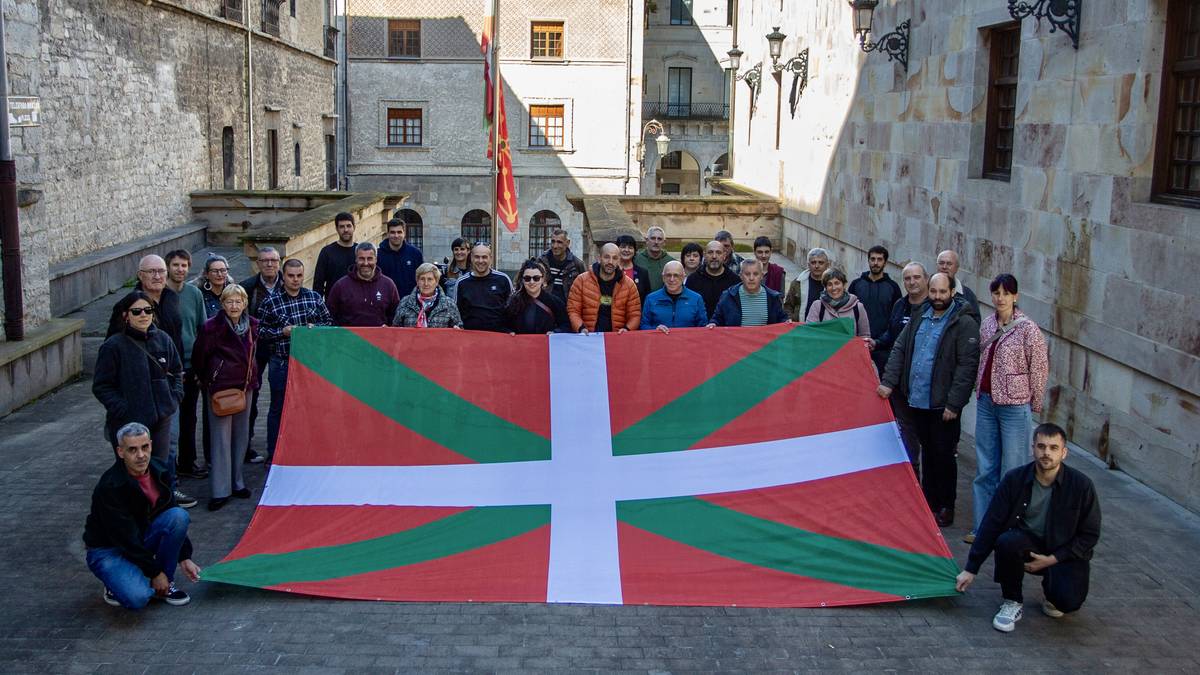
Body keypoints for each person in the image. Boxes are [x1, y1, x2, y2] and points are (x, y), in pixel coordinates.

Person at [956, 423, 1101, 633]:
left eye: (1053, 448)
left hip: (1063, 550)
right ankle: (1012, 601)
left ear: (1064, 452)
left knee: (1067, 602)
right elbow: (991, 524)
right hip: (1027, 542)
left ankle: (1053, 592)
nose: (1046, 453)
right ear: (1032, 448)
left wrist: (1051, 560)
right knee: (1006, 541)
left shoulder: (1082, 485)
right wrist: (971, 568)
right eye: (1041, 446)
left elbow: (1089, 535)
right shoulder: (1014, 479)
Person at [877, 273, 980, 527]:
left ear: (952, 292)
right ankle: (928, 503)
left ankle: (945, 506)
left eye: (942, 292)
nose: (936, 297)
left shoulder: (963, 324)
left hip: (943, 406)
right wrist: (889, 382)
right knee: (927, 455)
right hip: (918, 401)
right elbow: (900, 348)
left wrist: (954, 404)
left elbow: (967, 368)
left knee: (943, 457)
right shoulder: (919, 315)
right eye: (933, 291)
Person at [83, 422, 201, 609]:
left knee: (178, 516)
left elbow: (169, 508)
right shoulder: (110, 486)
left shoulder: (159, 470)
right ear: (120, 452)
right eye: (132, 450)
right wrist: (155, 572)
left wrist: (184, 556)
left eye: (145, 447)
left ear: (151, 445)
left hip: (139, 537)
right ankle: (115, 583)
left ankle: (164, 586)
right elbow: (125, 538)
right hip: (108, 549)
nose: (140, 455)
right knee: (138, 598)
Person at [968, 273, 1049, 544]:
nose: (1000, 298)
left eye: (1005, 293)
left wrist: (1034, 404)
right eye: (996, 292)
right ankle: (982, 528)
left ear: (1015, 296)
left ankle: (1007, 529)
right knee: (985, 467)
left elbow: (1038, 369)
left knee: (1012, 469)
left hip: (1015, 405)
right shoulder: (988, 324)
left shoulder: (1028, 329)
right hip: (987, 401)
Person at [93, 291, 190, 507]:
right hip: (130, 421)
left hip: (161, 418)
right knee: (132, 471)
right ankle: (132, 511)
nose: (143, 315)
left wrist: (173, 399)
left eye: (148, 310)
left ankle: (161, 507)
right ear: (126, 315)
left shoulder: (163, 339)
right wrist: (123, 407)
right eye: (137, 311)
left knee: (159, 466)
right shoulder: (113, 346)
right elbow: (101, 385)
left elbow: (176, 371)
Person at [191, 284, 260, 511]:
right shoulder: (211, 327)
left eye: (238, 301)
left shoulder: (252, 325)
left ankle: (237, 482)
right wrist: (208, 378)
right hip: (220, 387)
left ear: (244, 303)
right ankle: (220, 490)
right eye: (229, 301)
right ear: (222, 304)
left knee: (241, 436)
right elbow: (199, 356)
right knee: (220, 439)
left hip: (244, 387)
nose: (234, 306)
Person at [258, 259, 333, 461]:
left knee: (311, 407)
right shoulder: (271, 302)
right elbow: (261, 332)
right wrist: (281, 332)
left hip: (309, 364)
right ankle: (274, 454)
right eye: (291, 275)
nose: (295, 279)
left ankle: (309, 450)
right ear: (284, 276)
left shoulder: (314, 298)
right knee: (278, 408)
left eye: (299, 275)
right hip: (281, 362)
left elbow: (328, 323)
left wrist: (315, 330)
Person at [877, 261, 930, 473]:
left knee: (926, 433)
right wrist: (876, 342)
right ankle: (912, 473)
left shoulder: (934, 307)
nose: (912, 282)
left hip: (924, 383)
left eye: (916, 277)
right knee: (906, 428)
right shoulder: (900, 305)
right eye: (907, 278)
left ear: (926, 279)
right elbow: (891, 335)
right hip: (899, 380)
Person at [164, 250, 208, 480]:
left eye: (184, 265)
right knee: (169, 421)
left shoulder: (194, 294)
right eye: (175, 265)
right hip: (169, 368)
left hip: (191, 365)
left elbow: (202, 330)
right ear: (167, 267)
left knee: (189, 417)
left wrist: (201, 367)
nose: (180, 269)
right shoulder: (160, 296)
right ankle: (169, 468)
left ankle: (187, 462)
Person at [239, 247, 282, 466]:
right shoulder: (247, 287)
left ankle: (276, 447)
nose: (269, 265)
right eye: (265, 261)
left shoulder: (288, 283)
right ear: (258, 263)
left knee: (279, 399)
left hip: (281, 347)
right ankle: (245, 446)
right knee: (251, 397)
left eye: (273, 260)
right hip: (255, 347)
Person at [105, 255, 184, 364]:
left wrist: (179, 368)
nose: (157, 276)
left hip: (171, 369)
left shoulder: (172, 298)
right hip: (140, 370)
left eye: (161, 271)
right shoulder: (128, 305)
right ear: (140, 275)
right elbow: (111, 344)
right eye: (151, 271)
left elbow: (177, 337)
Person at [849, 245, 903, 374]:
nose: (875, 263)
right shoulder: (856, 284)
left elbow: (895, 319)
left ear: (885, 262)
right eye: (872, 259)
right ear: (868, 261)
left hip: (882, 347)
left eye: (879, 259)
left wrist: (881, 341)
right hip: (857, 344)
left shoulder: (893, 287)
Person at [568, 242, 641, 334]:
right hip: (588, 337)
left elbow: (635, 315)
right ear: (599, 258)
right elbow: (573, 310)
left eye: (615, 258)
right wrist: (581, 328)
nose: (610, 262)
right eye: (606, 257)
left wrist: (627, 329)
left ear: (619, 261)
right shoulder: (581, 281)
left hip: (616, 337)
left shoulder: (629, 285)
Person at [326, 242, 401, 327]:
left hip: (379, 339)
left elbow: (396, 316)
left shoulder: (388, 285)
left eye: (369, 259)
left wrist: (389, 327)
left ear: (376, 259)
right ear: (356, 259)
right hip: (349, 339)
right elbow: (330, 316)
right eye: (361, 259)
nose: (365, 263)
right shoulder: (340, 286)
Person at [710, 259, 788, 327]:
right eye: (747, 274)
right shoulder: (728, 296)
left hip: (765, 343)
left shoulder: (773, 298)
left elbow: (782, 319)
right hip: (736, 343)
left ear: (761, 276)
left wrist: (787, 323)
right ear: (740, 276)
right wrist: (713, 324)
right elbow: (717, 319)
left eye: (755, 274)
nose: (751, 278)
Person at [456, 244, 514, 332]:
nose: (480, 261)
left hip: (499, 337)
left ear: (490, 258)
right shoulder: (461, 283)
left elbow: (513, 308)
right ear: (471, 258)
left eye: (484, 257)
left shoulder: (503, 279)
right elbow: (456, 312)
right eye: (477, 257)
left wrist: (511, 330)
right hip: (470, 338)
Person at [805, 268, 872, 340]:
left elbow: (864, 336)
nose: (834, 288)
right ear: (825, 288)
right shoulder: (817, 306)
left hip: (849, 350)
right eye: (829, 284)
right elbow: (810, 333)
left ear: (844, 285)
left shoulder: (858, 308)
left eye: (837, 283)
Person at [641, 260, 708, 332]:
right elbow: (643, 325)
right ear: (663, 277)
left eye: (676, 275)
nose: (672, 279)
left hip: (687, 342)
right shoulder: (651, 298)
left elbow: (703, 327)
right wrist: (655, 330)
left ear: (683, 277)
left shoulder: (696, 299)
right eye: (668, 275)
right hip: (660, 341)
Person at [506, 259, 570, 334]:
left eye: (536, 278)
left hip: (545, 344)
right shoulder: (513, 302)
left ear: (542, 279)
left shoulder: (555, 302)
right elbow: (504, 324)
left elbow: (566, 325)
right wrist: (509, 332)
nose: (531, 282)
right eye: (527, 278)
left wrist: (555, 332)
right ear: (522, 280)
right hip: (520, 344)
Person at [393, 263, 464, 328]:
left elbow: (459, 330)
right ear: (417, 281)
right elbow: (396, 330)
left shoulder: (449, 304)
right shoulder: (405, 302)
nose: (426, 283)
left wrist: (457, 329)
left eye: (430, 279)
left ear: (436, 282)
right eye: (422, 279)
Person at [685, 240, 740, 319]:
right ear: (704, 255)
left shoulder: (735, 281)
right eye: (710, 252)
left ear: (724, 255)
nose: (714, 256)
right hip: (699, 328)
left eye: (718, 253)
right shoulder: (692, 280)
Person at [377, 217, 424, 299]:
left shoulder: (415, 254)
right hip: (386, 302)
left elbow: (421, 279)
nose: (396, 236)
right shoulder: (378, 255)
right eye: (392, 232)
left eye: (399, 232)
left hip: (410, 303)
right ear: (388, 234)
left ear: (404, 233)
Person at [313, 211, 358, 297]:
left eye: (348, 226)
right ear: (336, 229)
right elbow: (318, 284)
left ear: (354, 227)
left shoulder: (360, 251)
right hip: (333, 304)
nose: (345, 230)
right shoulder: (327, 252)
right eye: (342, 227)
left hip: (357, 303)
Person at [539, 228, 586, 304]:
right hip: (545, 309)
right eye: (553, 241)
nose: (555, 246)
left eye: (559, 242)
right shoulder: (542, 261)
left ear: (567, 243)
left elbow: (584, 290)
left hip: (567, 310)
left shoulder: (577, 265)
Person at [784, 247, 831, 322]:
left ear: (827, 265)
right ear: (808, 265)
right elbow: (788, 306)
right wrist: (789, 318)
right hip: (801, 327)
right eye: (813, 262)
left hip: (825, 328)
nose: (817, 266)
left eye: (821, 263)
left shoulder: (834, 284)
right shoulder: (797, 283)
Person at [936, 249, 981, 321]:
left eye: (949, 264)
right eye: (941, 263)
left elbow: (975, 323)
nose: (944, 267)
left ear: (956, 268)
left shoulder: (968, 295)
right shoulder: (926, 289)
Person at [634, 226, 676, 293]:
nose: (656, 242)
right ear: (647, 240)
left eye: (659, 239)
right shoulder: (636, 259)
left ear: (664, 242)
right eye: (653, 238)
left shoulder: (671, 262)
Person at [615, 234, 652, 301]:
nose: (626, 250)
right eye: (623, 247)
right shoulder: (611, 270)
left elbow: (647, 298)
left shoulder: (643, 273)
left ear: (634, 251)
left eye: (630, 247)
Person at [197, 255, 230, 320]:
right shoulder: (199, 295)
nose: (219, 274)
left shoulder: (233, 292)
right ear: (206, 274)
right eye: (215, 271)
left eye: (223, 270)